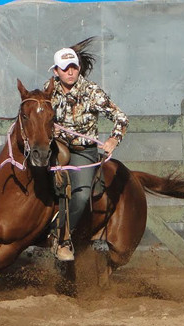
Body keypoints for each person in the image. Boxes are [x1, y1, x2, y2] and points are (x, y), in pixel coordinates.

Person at [44, 41, 129, 261]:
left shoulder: (92, 92)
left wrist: (113, 138)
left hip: (83, 152)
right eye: (65, 68)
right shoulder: (48, 90)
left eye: (73, 66)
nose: (70, 71)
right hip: (56, 147)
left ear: (78, 68)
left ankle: (61, 239)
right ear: (56, 71)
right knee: (14, 160)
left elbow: (121, 117)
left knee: (80, 195)